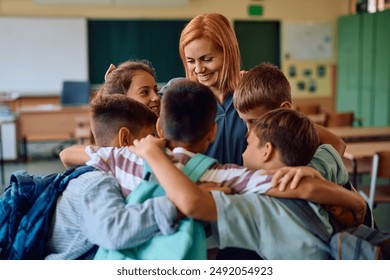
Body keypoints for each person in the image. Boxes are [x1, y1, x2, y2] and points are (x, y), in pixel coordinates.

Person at [61, 80, 366, 259]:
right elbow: (299, 187)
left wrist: (125, 149)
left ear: (158, 126)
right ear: (213, 134)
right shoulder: (224, 175)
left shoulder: (123, 158)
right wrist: (347, 197)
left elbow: (69, 154)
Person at [128, 107, 367, 259]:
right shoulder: (315, 167)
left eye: (248, 144)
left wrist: (153, 154)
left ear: (267, 151)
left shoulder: (255, 205)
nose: (242, 153)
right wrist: (357, 202)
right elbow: (335, 143)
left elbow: (192, 202)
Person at [45, 94, 176, 259]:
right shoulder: (97, 182)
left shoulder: (103, 168)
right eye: (150, 136)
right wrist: (176, 206)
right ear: (125, 138)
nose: (156, 143)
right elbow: (116, 232)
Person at [233, 63, 348, 187]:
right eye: (245, 121)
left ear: (285, 109)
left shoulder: (308, 168)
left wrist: (289, 119)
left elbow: (338, 144)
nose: (249, 131)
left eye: (255, 122)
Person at [159, 13, 247, 166]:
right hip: (195, 186)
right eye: (191, 61)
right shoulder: (177, 94)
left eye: (207, 59)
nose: (199, 69)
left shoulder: (252, 93)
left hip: (244, 185)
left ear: (229, 54)